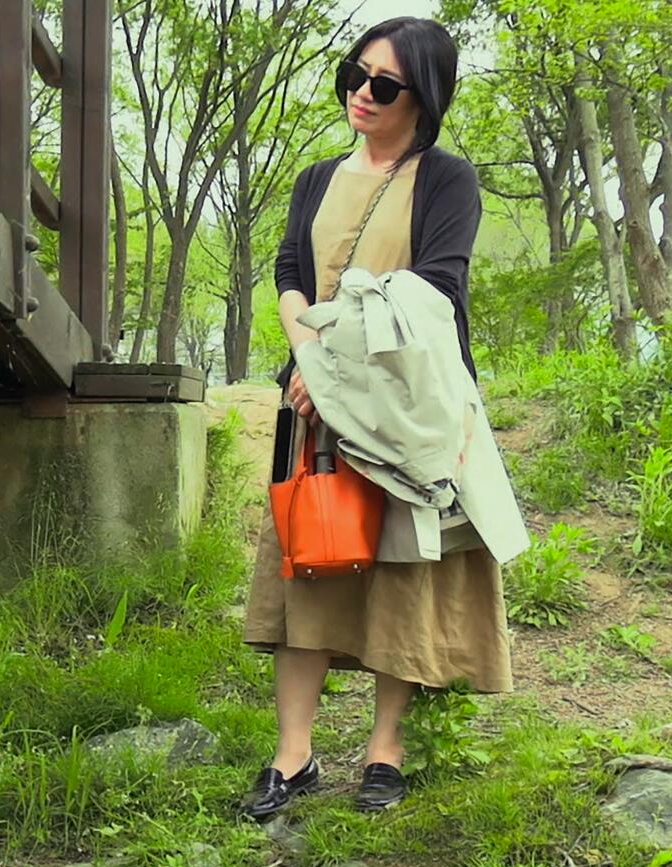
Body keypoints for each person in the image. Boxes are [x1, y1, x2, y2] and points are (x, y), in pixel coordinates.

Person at [241, 17, 511, 819]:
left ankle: (384, 750)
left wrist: (338, 377)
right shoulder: (318, 177)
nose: (362, 93)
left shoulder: (446, 179)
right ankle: (294, 756)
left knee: (401, 569)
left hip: (404, 405)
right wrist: (309, 366)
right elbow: (291, 271)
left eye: (383, 84)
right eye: (354, 75)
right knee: (310, 564)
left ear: (422, 97)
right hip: (313, 405)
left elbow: (435, 288)